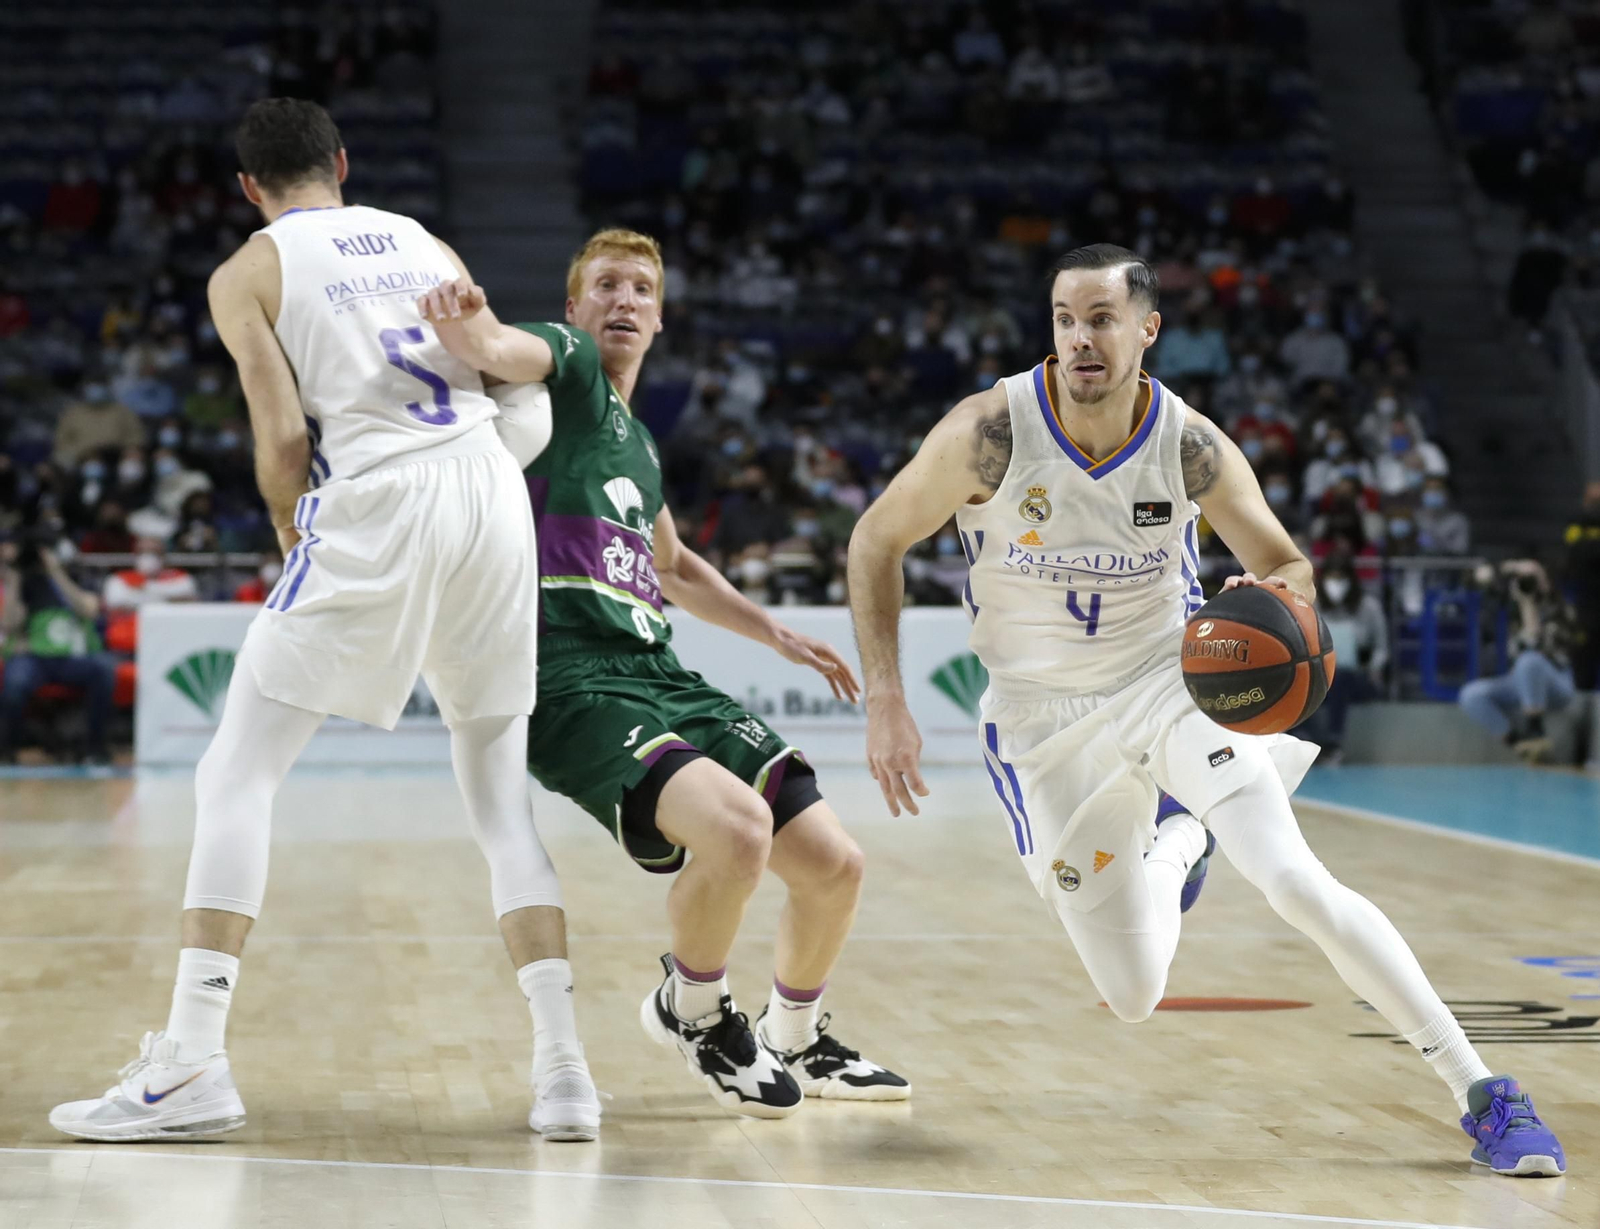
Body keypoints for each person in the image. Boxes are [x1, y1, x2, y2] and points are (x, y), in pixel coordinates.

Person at [847, 244, 1565, 1177]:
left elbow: (1288, 562)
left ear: (1148, 329)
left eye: (1101, 318)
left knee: (1297, 880)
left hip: (1170, 686)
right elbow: (875, 540)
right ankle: (1180, 840)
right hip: (1041, 724)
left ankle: (1483, 1091)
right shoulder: (989, 431)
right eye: (1065, 318)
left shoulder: (1189, 444)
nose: (1080, 339)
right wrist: (887, 699)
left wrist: (1267, 593)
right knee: (1136, 992)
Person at [50, 98, 599, 1144]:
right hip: (488, 491)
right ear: (342, 164)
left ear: (247, 187)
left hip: (380, 502)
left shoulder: (249, 270)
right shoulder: (418, 237)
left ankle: (192, 1061)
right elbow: (499, 367)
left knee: (234, 775)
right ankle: (565, 1071)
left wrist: (284, 529)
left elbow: (281, 429)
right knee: (497, 803)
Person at [418, 228, 908, 1118]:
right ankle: (694, 1009)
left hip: (656, 668)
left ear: (661, 316)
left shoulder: (637, 441)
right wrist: (467, 317)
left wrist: (775, 633)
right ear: (575, 308)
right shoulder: (561, 366)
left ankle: (798, 1033)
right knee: (738, 832)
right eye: (605, 285)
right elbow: (493, 348)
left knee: (835, 864)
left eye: (642, 288)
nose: (624, 301)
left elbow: (675, 566)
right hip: (568, 676)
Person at [0, 534, 118, 765]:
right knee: (14, 684)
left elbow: (87, 610)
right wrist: (15, 579)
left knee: (104, 671)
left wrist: (55, 571)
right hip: (34, 658)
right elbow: (11, 623)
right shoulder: (23, 583)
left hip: (71, 658)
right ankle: (8, 749)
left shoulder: (70, 579)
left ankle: (94, 747)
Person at [1459, 559, 1578, 762]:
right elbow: (1473, 579)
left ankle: (1535, 729)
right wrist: (1511, 568)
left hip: (1556, 683)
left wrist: (1528, 604)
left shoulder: (1563, 609)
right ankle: (1519, 743)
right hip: (1521, 682)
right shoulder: (1512, 611)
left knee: (1529, 661)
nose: (1529, 582)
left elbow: (1535, 648)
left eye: (1535, 577)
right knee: (1471, 694)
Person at [1298, 556, 1387, 764]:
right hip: (1320, 677)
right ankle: (1314, 741)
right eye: (1332, 578)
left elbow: (1382, 648)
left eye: (1341, 578)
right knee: (1307, 685)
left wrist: (1375, 667)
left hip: (1359, 678)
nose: (1336, 584)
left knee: (1340, 678)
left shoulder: (1368, 607)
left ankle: (1333, 742)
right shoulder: (1314, 605)